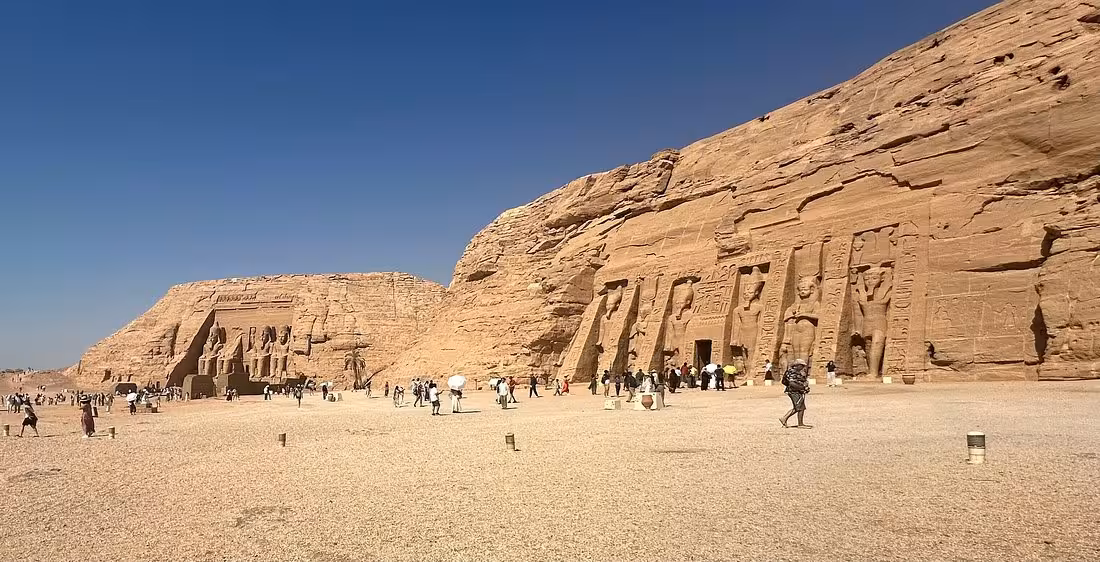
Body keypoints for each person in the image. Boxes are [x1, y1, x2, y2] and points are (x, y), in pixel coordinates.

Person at [780, 359, 812, 429]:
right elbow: (792, 383)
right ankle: (800, 424)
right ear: (796, 365)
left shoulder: (797, 372)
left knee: (798, 407)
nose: (803, 367)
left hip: (797, 391)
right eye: (801, 365)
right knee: (800, 407)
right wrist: (803, 388)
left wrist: (805, 387)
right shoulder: (792, 372)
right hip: (793, 391)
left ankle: (784, 418)